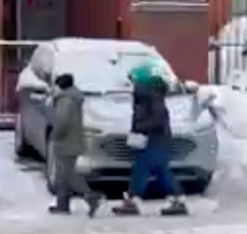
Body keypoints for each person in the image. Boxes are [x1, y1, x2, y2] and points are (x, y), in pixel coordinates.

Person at [113, 65, 188, 217]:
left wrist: (140, 128)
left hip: (152, 138)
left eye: (133, 80)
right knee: (158, 170)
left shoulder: (148, 96)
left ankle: (133, 201)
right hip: (155, 138)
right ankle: (176, 199)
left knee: (144, 169)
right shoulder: (151, 95)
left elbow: (156, 119)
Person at [49, 74, 102, 217]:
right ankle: (62, 204)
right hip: (73, 140)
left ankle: (90, 196)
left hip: (66, 142)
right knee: (62, 175)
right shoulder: (73, 98)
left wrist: (55, 135)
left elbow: (62, 122)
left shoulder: (65, 100)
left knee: (69, 175)